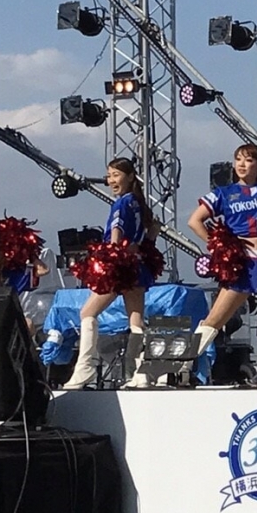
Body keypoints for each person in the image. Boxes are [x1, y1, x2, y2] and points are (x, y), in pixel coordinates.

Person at [189, 137, 257, 386]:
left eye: (249, 160)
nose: (241, 164)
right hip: (243, 261)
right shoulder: (223, 194)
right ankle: (181, 365)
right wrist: (218, 246)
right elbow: (194, 221)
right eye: (238, 159)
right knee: (215, 319)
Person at [64, 157, 160, 390]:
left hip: (120, 267)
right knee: (136, 318)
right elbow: (152, 232)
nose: (111, 180)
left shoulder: (121, 203)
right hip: (138, 266)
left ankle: (85, 368)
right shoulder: (139, 203)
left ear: (130, 176)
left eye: (116, 175)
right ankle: (140, 373)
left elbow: (115, 234)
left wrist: (112, 257)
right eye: (109, 176)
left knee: (88, 312)